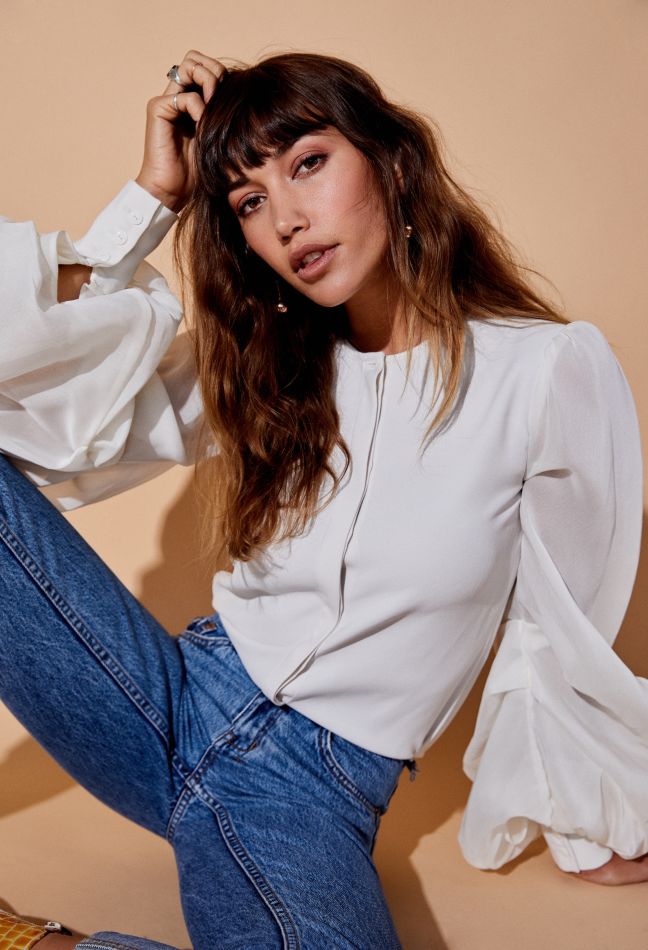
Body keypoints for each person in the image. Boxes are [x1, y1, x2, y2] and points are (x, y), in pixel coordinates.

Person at [0, 48, 647, 950]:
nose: (287, 219)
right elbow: (27, 375)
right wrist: (151, 200)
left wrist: (594, 817)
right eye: (249, 202)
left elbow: (560, 623)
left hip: (308, 790)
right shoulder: (263, 370)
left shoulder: (542, 371)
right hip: (155, 704)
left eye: (308, 163)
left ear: (391, 160)